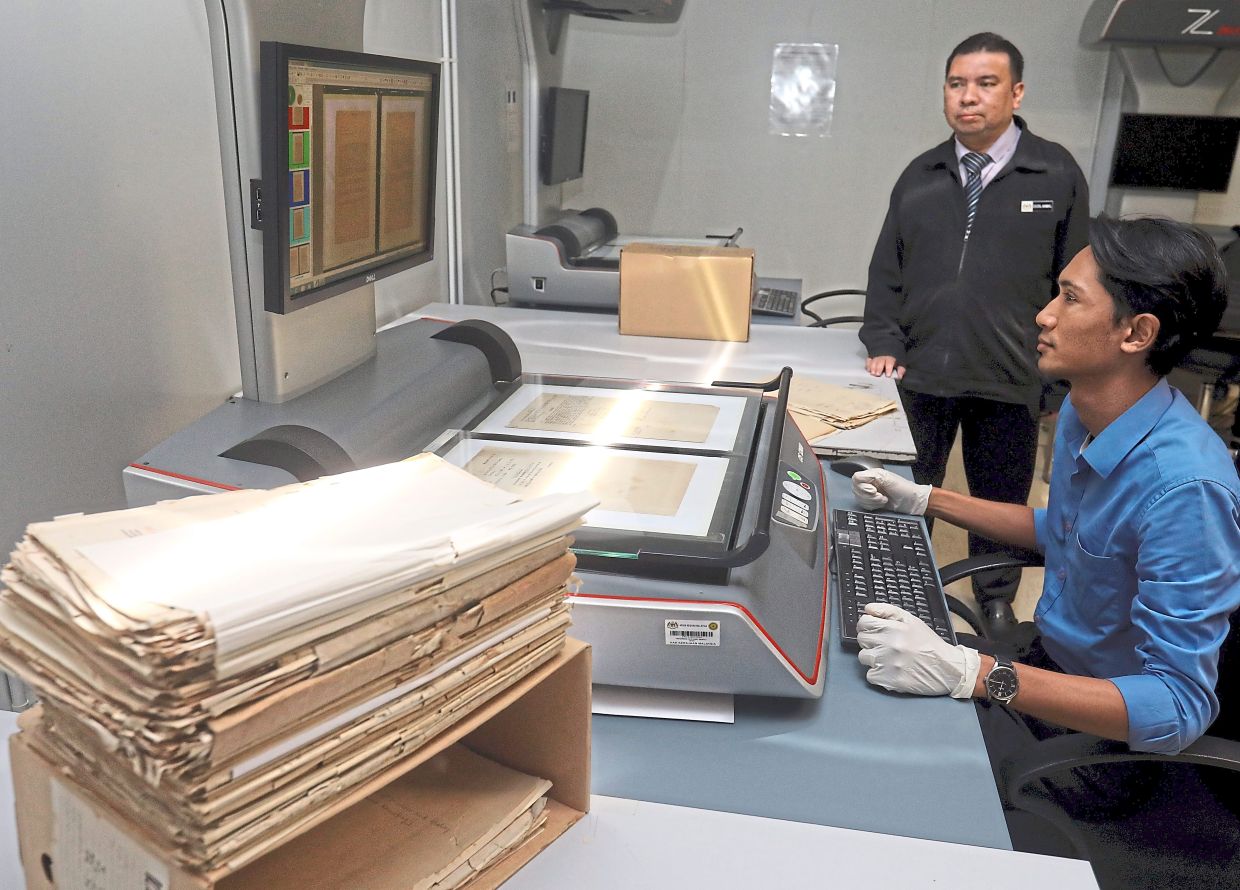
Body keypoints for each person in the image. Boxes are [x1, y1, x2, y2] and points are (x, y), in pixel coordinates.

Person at [851, 215, 1239, 760]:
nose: (1044, 315)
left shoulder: (1185, 489)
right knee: (860, 670)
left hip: (1098, 742)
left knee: (884, 749)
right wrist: (926, 498)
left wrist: (975, 674)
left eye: (1070, 299)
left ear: (1136, 333)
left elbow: (1177, 707)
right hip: (1047, 663)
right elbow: (1063, 531)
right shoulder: (1087, 412)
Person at [860, 32, 1089, 635]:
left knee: (999, 504)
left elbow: (1076, 285)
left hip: (1011, 375)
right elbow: (887, 270)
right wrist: (884, 339)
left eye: (985, 84)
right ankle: (900, 592)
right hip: (920, 372)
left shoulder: (1055, 173)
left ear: (1016, 92)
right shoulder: (921, 174)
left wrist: (1060, 378)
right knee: (910, 496)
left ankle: (994, 605)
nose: (969, 97)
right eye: (957, 84)